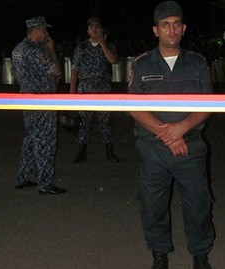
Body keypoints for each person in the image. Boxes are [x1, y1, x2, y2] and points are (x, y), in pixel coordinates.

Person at [128, 2, 215, 269]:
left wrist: (182, 128)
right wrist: (167, 134)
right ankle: (159, 255)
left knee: (198, 205)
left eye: (176, 24)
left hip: (190, 146)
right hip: (153, 148)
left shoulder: (198, 63)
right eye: (165, 25)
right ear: (156, 30)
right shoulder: (142, 64)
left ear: (184, 29)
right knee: (153, 206)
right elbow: (134, 106)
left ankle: (200, 255)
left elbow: (208, 104)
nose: (171, 29)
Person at [12, 16, 66, 195]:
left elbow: (17, 76)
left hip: (27, 98)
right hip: (42, 100)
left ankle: (22, 178)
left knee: (30, 139)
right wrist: (51, 50)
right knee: (46, 141)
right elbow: (56, 71)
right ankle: (45, 184)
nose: (47, 34)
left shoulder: (18, 49)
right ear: (35, 30)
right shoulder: (37, 51)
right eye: (44, 30)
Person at [70, 17, 120, 163]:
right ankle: (82, 152)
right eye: (92, 26)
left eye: (98, 26)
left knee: (105, 121)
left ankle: (109, 152)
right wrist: (72, 91)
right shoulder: (81, 47)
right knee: (84, 121)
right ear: (88, 30)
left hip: (102, 86)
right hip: (85, 86)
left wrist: (103, 43)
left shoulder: (108, 45)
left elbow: (113, 60)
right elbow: (75, 68)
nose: (95, 28)